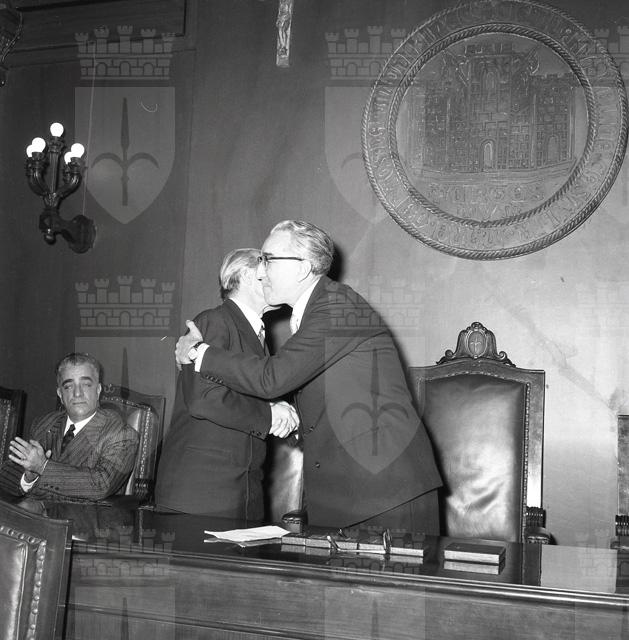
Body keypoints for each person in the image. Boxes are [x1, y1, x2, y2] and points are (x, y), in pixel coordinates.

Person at [176, 221, 442, 532]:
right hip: (351, 497)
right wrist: (284, 419)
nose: (260, 272)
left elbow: (271, 379)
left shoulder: (337, 307)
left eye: (267, 259)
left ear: (303, 268)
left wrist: (199, 352)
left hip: (385, 493)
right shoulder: (318, 311)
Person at [155, 248, 298, 520]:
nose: (276, 279)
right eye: (268, 269)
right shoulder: (214, 320)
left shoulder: (255, 334)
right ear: (246, 275)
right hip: (201, 493)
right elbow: (205, 398)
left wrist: (278, 408)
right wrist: (269, 415)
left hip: (240, 493)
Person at [0, 352, 139, 501]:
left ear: (98, 390)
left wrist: (42, 467)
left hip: (88, 515)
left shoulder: (122, 433)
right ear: (60, 394)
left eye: (86, 384)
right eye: (68, 386)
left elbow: (101, 484)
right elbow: (7, 472)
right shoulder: (43, 424)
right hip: (38, 512)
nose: (77, 393)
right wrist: (28, 479)